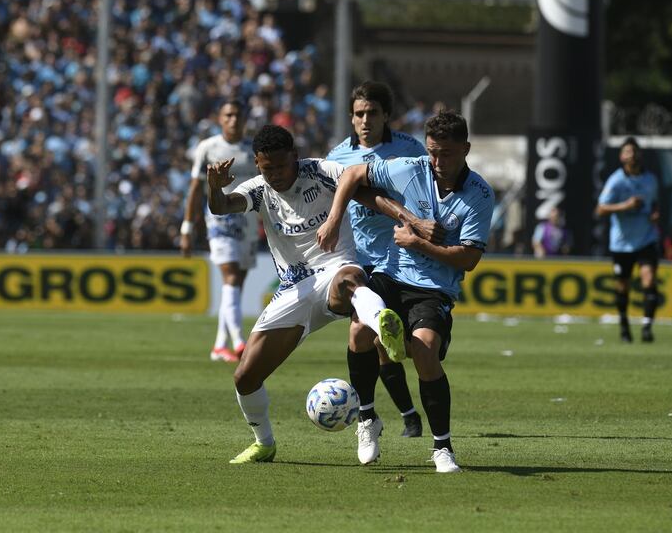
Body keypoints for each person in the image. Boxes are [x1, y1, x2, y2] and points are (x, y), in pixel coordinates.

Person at [207, 124, 436, 465]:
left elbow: (366, 194)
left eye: (282, 166)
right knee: (245, 376)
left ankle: (381, 324)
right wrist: (214, 188)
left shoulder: (322, 171)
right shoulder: (259, 189)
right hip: (293, 289)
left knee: (350, 280)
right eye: (267, 168)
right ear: (257, 163)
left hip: (336, 269)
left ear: (295, 157)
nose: (276, 175)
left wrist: (409, 219)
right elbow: (223, 206)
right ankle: (264, 443)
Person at [317, 110, 494, 473]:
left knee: (425, 351)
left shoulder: (480, 194)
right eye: (432, 151)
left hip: (434, 290)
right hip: (392, 274)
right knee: (359, 329)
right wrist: (335, 218)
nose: (437, 161)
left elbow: (469, 258)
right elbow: (353, 175)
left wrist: (417, 242)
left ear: (466, 149)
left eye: (446, 153)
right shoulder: (412, 167)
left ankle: (442, 447)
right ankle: (367, 419)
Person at [327, 81, 430, 465]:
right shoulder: (337, 157)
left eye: (371, 113)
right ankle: (369, 418)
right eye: (358, 114)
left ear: (386, 115)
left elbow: (425, 197)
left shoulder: (409, 149)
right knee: (362, 332)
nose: (364, 120)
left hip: (402, 259)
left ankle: (409, 416)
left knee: (387, 349)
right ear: (351, 117)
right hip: (358, 260)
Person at [181, 100, 258, 362]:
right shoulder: (208, 148)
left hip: (248, 221)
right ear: (220, 119)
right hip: (219, 220)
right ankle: (239, 342)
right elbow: (194, 189)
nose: (233, 120)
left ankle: (219, 345)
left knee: (237, 282)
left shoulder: (252, 150)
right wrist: (187, 228)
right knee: (232, 276)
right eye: (228, 115)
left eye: (238, 115)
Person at [595, 137, 661, 343]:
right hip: (622, 243)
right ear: (622, 157)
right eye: (627, 152)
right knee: (622, 286)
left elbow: (655, 204)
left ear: (639, 154)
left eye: (634, 151)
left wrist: (655, 214)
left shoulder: (651, 179)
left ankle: (647, 327)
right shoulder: (616, 181)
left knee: (648, 279)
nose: (631, 154)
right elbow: (600, 209)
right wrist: (625, 206)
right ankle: (624, 325)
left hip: (646, 238)